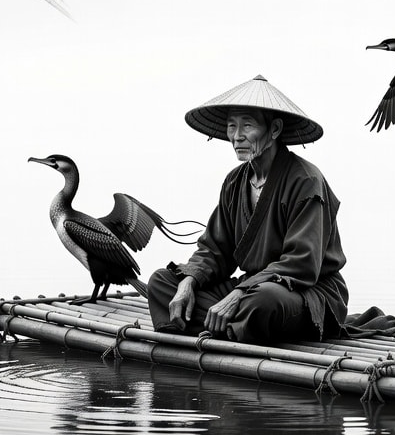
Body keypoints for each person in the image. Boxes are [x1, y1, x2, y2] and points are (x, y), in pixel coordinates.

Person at [146, 75, 348, 344]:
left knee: (263, 303)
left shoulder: (306, 181)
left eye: (247, 125)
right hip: (251, 286)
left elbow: (301, 264)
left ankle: (225, 325)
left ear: (274, 130)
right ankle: (233, 328)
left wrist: (239, 293)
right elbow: (215, 250)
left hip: (304, 293)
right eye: (232, 126)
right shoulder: (234, 181)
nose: (236, 136)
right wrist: (189, 281)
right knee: (162, 284)